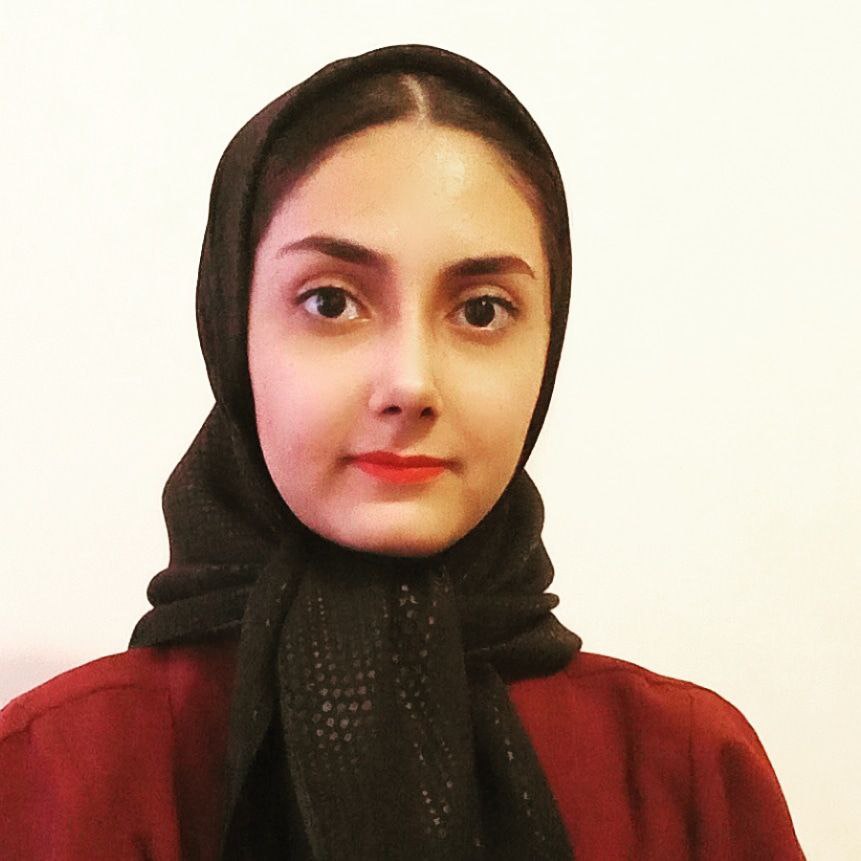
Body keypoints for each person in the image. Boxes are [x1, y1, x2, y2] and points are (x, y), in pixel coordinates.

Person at [0, 44, 804, 860]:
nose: (410, 382)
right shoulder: (48, 776)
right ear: (232, 328)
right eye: (330, 301)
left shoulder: (685, 774)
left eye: (482, 310)